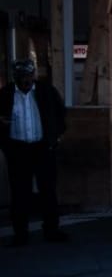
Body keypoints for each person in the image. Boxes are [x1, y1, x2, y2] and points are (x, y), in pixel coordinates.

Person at [1, 58, 66, 245]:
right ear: (15, 77)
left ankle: (51, 230)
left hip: (42, 147)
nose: (25, 81)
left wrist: (55, 137)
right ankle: (20, 233)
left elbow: (60, 114)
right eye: (21, 77)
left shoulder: (46, 92)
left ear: (33, 75)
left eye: (28, 76)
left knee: (48, 189)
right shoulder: (5, 95)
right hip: (18, 148)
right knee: (20, 192)